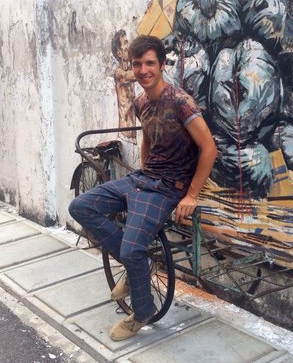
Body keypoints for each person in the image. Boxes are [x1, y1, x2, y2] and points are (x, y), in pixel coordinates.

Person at [69, 35, 217, 341]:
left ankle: (143, 310)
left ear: (162, 65)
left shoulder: (180, 102)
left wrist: (191, 195)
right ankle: (139, 265)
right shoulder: (141, 102)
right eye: (137, 64)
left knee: (132, 248)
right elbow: (148, 135)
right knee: (80, 206)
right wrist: (145, 166)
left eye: (150, 63)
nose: (143, 69)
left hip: (168, 188)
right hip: (144, 178)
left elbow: (209, 148)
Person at [111, 29, 137, 138]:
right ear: (119, 53)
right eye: (125, 43)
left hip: (133, 131)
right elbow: (134, 75)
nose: (129, 46)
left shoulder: (131, 68)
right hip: (125, 134)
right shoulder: (119, 73)